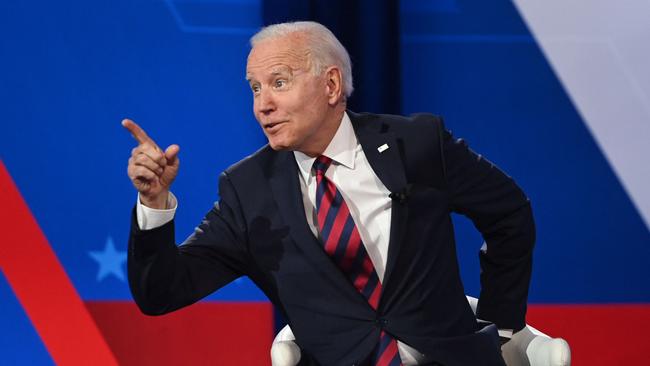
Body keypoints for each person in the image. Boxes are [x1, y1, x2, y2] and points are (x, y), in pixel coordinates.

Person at [123, 21, 535, 366]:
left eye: (278, 83)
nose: (262, 104)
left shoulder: (417, 144)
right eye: (254, 88)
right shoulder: (249, 191)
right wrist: (154, 204)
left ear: (332, 84)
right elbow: (161, 293)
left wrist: (501, 324)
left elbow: (509, 213)